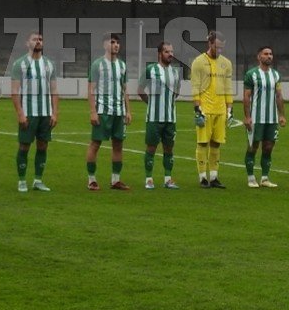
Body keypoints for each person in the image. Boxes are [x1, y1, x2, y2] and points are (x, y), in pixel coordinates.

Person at [10, 31, 58, 192]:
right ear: (27, 43)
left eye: (40, 39)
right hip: (28, 113)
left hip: (45, 113)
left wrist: (55, 113)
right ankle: (22, 180)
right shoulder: (20, 64)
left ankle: (38, 180)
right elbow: (14, 92)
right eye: (34, 39)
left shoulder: (49, 64)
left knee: (43, 146)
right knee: (24, 146)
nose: (38, 41)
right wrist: (20, 114)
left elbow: (54, 90)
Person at [85, 32, 132, 191]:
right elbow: (91, 90)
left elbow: (125, 90)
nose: (116, 45)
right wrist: (93, 111)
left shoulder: (122, 65)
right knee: (95, 144)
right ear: (105, 45)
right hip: (102, 111)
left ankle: (115, 180)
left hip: (119, 112)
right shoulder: (97, 64)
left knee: (118, 145)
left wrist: (128, 111)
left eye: (117, 42)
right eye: (112, 42)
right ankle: (91, 180)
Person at [190, 30, 233, 188]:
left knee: (216, 143)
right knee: (202, 143)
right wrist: (197, 109)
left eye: (222, 47)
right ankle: (202, 177)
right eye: (217, 47)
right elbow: (195, 87)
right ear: (210, 43)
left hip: (221, 110)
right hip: (205, 110)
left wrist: (230, 109)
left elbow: (228, 88)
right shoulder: (198, 62)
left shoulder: (226, 63)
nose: (219, 50)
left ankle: (214, 177)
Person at [137, 41, 181, 190]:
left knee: (169, 149)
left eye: (172, 51)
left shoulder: (175, 72)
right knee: (151, 148)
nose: (170, 54)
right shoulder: (151, 69)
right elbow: (140, 90)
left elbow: (176, 92)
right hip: (154, 118)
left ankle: (168, 179)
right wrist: (151, 103)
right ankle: (149, 179)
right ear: (159, 54)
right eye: (167, 51)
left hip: (170, 118)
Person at [242, 46, 286, 188]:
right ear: (259, 57)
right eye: (266, 54)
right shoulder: (251, 74)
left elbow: (278, 95)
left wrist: (281, 115)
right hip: (256, 118)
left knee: (268, 147)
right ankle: (251, 178)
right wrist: (247, 117)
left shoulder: (276, 75)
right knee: (253, 147)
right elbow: (246, 96)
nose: (269, 56)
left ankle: (265, 178)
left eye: (271, 54)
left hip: (272, 119)